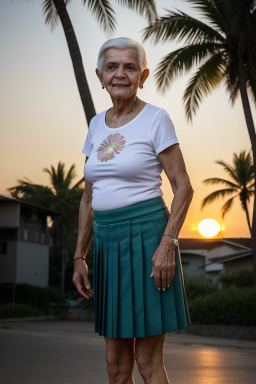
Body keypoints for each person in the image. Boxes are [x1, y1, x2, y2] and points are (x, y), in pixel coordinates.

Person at [72, 37, 194, 384]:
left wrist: (166, 245)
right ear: (100, 74)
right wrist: (80, 256)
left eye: (129, 67)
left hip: (147, 240)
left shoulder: (156, 119)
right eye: (112, 67)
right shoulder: (96, 125)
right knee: (115, 363)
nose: (120, 74)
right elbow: (88, 197)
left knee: (147, 362)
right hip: (108, 245)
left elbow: (183, 185)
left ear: (143, 75)